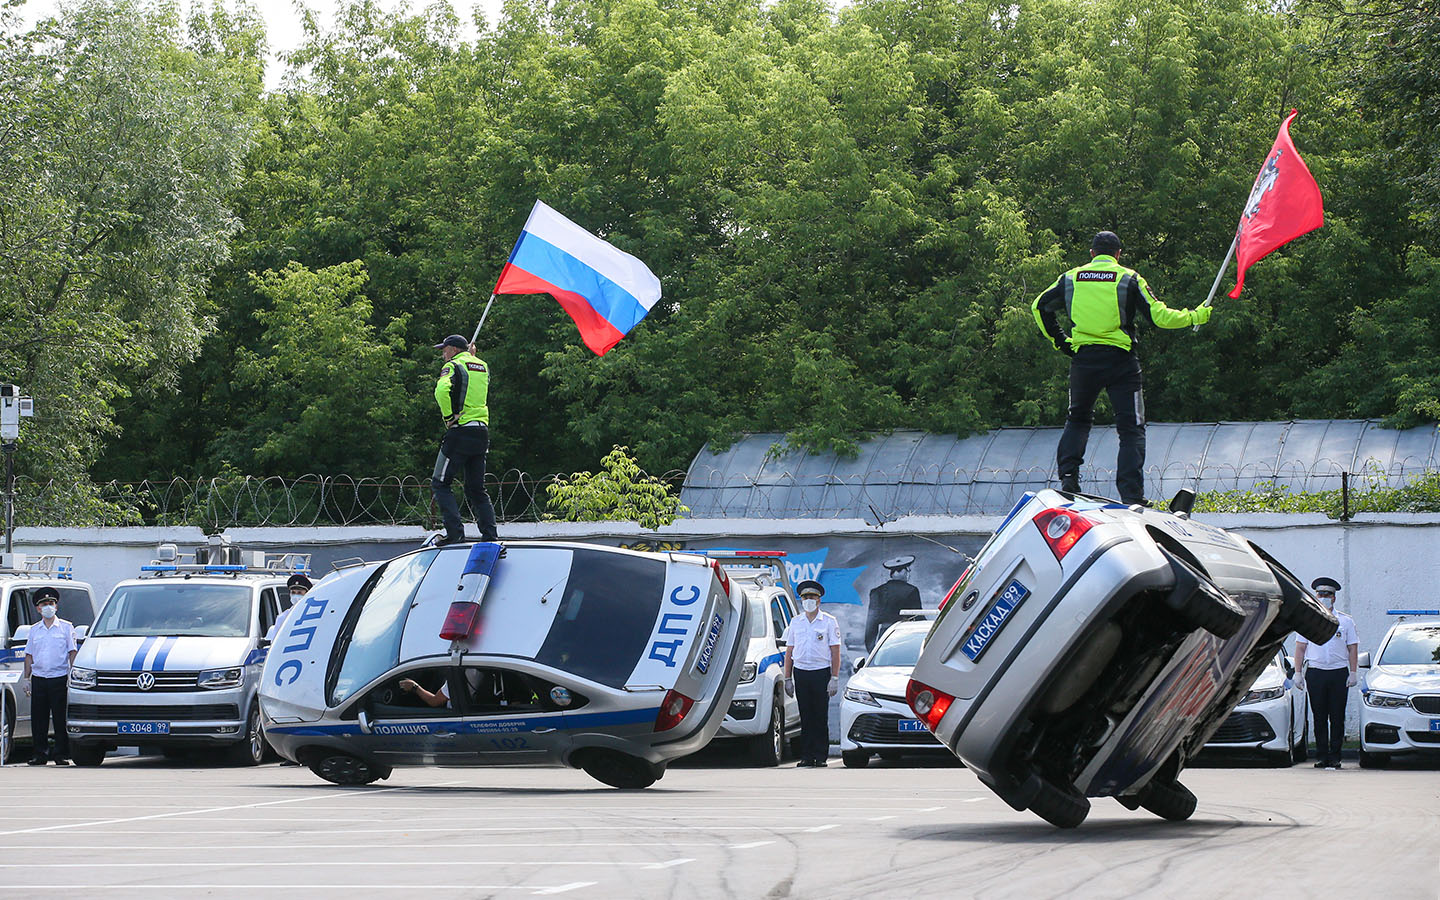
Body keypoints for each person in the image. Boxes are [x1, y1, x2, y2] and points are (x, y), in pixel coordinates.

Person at [1031, 231, 1213, 505]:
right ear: (1118, 254)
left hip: (1084, 360)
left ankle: (1069, 479)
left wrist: (1062, 342)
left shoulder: (1071, 278)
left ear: (1092, 254)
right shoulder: (1128, 278)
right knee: (1131, 428)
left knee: (1078, 419)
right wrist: (1194, 316)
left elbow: (1039, 307)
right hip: (1121, 362)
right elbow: (1159, 317)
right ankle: (1132, 495)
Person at [430, 334, 499, 546]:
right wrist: (472, 357)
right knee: (476, 488)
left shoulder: (452, 365)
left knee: (440, 482)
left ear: (453, 349)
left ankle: (455, 534)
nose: (443, 353)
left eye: (445, 349)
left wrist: (449, 417)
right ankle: (490, 536)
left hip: (460, 431)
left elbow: (441, 391)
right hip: (482, 432)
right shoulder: (483, 366)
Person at [1294, 576, 1359, 769]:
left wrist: (1353, 672)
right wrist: (1298, 672)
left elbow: (1353, 648)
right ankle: (1322, 756)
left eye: (1327, 594)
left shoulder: (1345, 621)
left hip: (1338, 673)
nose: (1324, 597)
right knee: (1319, 715)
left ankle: (1335, 756)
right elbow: (1300, 648)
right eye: (1320, 594)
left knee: (1337, 717)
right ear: (1315, 595)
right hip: (1316, 672)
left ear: (1334, 597)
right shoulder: (1309, 618)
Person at [783, 580, 842, 768]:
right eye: (805, 597)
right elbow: (790, 651)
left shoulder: (829, 621)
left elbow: (835, 651)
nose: (809, 600)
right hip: (801, 672)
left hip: (820, 672)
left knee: (820, 715)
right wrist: (787, 678)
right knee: (805, 716)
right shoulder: (796, 622)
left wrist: (834, 677)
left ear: (819, 600)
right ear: (801, 600)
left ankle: (820, 755)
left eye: (812, 597)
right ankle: (806, 756)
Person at [21, 587, 78, 766]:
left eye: (51, 603)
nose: (48, 607)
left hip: (59, 677)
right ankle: (40, 754)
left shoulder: (66, 627)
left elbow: (72, 652)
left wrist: (73, 674)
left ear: (56, 606)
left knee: (60, 718)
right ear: (38, 609)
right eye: (44, 604)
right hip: (39, 678)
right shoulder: (34, 630)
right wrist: (26, 678)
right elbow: (29, 655)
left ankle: (60, 754)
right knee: (39, 719)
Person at [865, 555, 921, 651]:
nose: (908, 574)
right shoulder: (911, 591)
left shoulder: (876, 591)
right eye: (908, 571)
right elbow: (918, 617)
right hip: (905, 636)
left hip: (884, 637)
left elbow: (871, 623)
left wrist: (871, 649)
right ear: (903, 571)